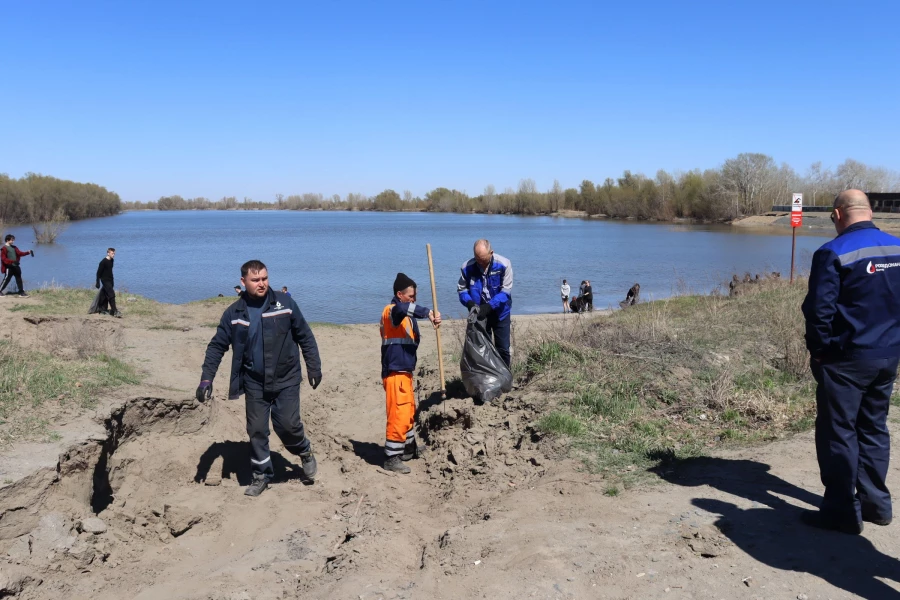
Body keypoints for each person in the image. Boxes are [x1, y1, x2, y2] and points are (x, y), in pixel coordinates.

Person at [801, 189, 900, 535]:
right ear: (870, 212)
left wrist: (818, 350)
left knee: (838, 432)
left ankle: (841, 512)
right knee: (873, 427)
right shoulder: (897, 247)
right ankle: (877, 506)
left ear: (838, 215)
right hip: (887, 355)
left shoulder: (833, 252)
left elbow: (818, 311)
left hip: (846, 358)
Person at [198, 260, 323, 497]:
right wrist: (206, 379)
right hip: (254, 382)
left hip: (286, 378)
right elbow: (216, 347)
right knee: (256, 430)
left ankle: (304, 451)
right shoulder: (233, 313)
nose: (262, 284)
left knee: (287, 425)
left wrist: (314, 367)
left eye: (264, 278)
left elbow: (305, 335)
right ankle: (262, 475)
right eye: (255, 280)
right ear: (243, 282)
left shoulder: (284, 304)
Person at [380, 273, 441, 473]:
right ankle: (391, 457)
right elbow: (403, 309)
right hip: (395, 373)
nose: (413, 300)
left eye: (415, 296)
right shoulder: (392, 311)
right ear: (399, 294)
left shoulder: (405, 316)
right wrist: (428, 312)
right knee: (398, 414)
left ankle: (409, 448)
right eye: (411, 296)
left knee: (407, 412)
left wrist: (432, 319)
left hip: (404, 372)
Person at [458, 239, 513, 367]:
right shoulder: (467, 267)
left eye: (483, 259)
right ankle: (488, 380)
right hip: (479, 315)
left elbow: (506, 291)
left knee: (503, 348)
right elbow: (461, 290)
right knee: (483, 349)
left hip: (501, 313)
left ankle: (505, 379)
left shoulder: (504, 264)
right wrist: (469, 303)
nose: (481, 263)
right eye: (478, 259)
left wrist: (489, 306)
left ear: (491, 253)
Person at [95, 248, 121, 317]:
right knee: (111, 294)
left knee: (104, 294)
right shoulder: (103, 262)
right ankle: (114, 310)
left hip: (110, 280)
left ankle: (102, 309)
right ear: (108, 253)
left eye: (114, 253)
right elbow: (98, 273)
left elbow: (110, 271)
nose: (114, 255)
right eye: (112, 253)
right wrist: (97, 282)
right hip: (105, 280)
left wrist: (112, 280)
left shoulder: (112, 260)